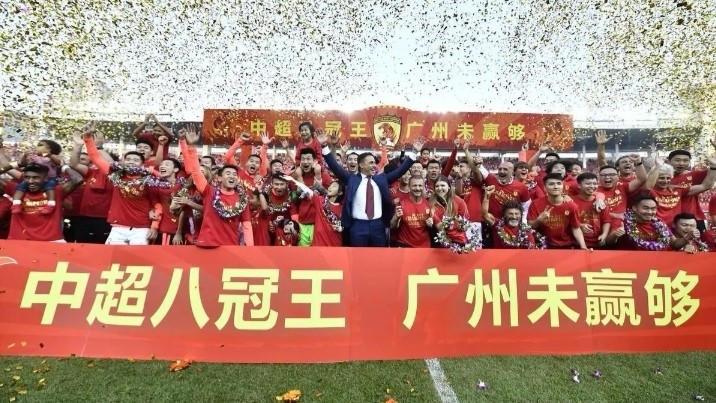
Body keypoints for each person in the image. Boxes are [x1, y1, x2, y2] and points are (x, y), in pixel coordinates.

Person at [321, 130, 425, 247]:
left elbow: (400, 171)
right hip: (357, 226)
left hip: (378, 226)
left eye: (375, 163)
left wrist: (414, 152)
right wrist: (324, 145)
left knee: (379, 256)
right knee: (357, 256)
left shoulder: (382, 179)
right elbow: (334, 167)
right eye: (370, 163)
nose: (374, 165)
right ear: (361, 165)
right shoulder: (352, 179)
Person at [178, 124, 253, 247]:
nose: (232, 176)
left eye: (234, 174)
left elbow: (247, 225)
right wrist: (191, 146)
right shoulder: (209, 191)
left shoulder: (242, 198)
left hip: (231, 247)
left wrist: (250, 249)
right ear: (219, 178)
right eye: (228, 173)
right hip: (207, 245)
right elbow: (196, 172)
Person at [83, 126, 156, 245]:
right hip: (118, 227)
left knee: (137, 257)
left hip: (141, 228)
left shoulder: (149, 180)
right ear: (122, 162)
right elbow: (95, 157)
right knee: (110, 256)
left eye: (136, 160)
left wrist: (154, 226)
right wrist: (87, 138)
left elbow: (157, 204)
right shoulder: (116, 175)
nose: (131, 161)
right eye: (128, 159)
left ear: (142, 165)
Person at [3, 164, 84, 242]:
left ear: (46, 178)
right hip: (19, 241)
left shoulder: (56, 192)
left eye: (36, 178)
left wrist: (64, 166)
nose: (31, 181)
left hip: (50, 242)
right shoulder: (15, 190)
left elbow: (78, 179)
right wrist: (15, 164)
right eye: (27, 177)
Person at [642, 157, 716, 227]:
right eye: (661, 178)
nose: (665, 181)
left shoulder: (677, 189)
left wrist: (714, 167)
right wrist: (657, 167)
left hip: (676, 230)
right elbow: (648, 186)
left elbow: (706, 186)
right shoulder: (650, 192)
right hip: (656, 228)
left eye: (668, 178)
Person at [608, 195, 693, 251]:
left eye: (653, 209)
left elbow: (674, 244)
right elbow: (607, 243)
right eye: (645, 208)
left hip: (660, 262)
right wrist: (615, 235)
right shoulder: (623, 221)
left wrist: (687, 237)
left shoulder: (659, 222)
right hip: (632, 263)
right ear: (634, 208)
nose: (649, 212)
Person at [527, 173, 587, 249]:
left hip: (566, 245)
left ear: (563, 186)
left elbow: (575, 228)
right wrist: (539, 220)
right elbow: (530, 227)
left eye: (559, 184)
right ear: (545, 187)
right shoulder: (536, 204)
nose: (555, 187)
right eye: (551, 184)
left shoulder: (571, 205)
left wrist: (583, 246)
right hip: (542, 245)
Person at [286, 176, 345, 247]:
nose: (330, 188)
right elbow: (308, 191)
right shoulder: (320, 201)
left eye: (334, 186)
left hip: (335, 243)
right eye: (330, 185)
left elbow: (345, 224)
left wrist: (340, 227)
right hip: (319, 242)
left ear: (340, 192)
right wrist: (294, 180)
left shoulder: (343, 208)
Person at [12, 139, 63, 215]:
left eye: (40, 145)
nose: (37, 147)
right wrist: (25, 156)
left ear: (49, 149)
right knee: (21, 186)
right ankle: (16, 204)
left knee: (50, 186)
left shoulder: (51, 157)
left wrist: (48, 154)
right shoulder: (35, 157)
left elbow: (59, 162)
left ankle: (50, 204)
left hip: (50, 178)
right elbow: (23, 163)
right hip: (35, 179)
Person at [292, 148, 331, 245]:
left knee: (319, 251)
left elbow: (331, 198)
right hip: (303, 223)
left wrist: (321, 188)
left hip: (320, 222)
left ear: (314, 161)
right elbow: (293, 200)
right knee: (303, 252)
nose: (305, 162)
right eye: (303, 159)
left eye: (308, 159)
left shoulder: (324, 176)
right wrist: (298, 192)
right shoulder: (296, 177)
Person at [430, 175, 472, 250]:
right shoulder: (431, 204)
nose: (439, 188)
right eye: (437, 186)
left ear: (449, 187)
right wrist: (451, 222)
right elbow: (439, 227)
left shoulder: (459, 201)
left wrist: (456, 224)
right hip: (440, 241)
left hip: (459, 240)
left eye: (442, 185)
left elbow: (465, 223)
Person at [390, 175, 432, 248]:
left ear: (423, 187)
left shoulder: (429, 204)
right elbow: (392, 227)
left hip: (424, 247)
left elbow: (433, 228)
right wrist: (396, 217)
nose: (417, 188)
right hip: (405, 246)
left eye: (420, 186)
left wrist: (431, 225)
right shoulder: (401, 204)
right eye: (414, 186)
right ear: (409, 187)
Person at [573, 172, 611, 249]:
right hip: (576, 243)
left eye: (595, 184)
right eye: (588, 184)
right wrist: (580, 225)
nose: (592, 186)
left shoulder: (601, 202)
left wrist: (604, 234)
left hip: (598, 242)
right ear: (579, 185)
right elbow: (567, 222)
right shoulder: (572, 202)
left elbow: (606, 221)